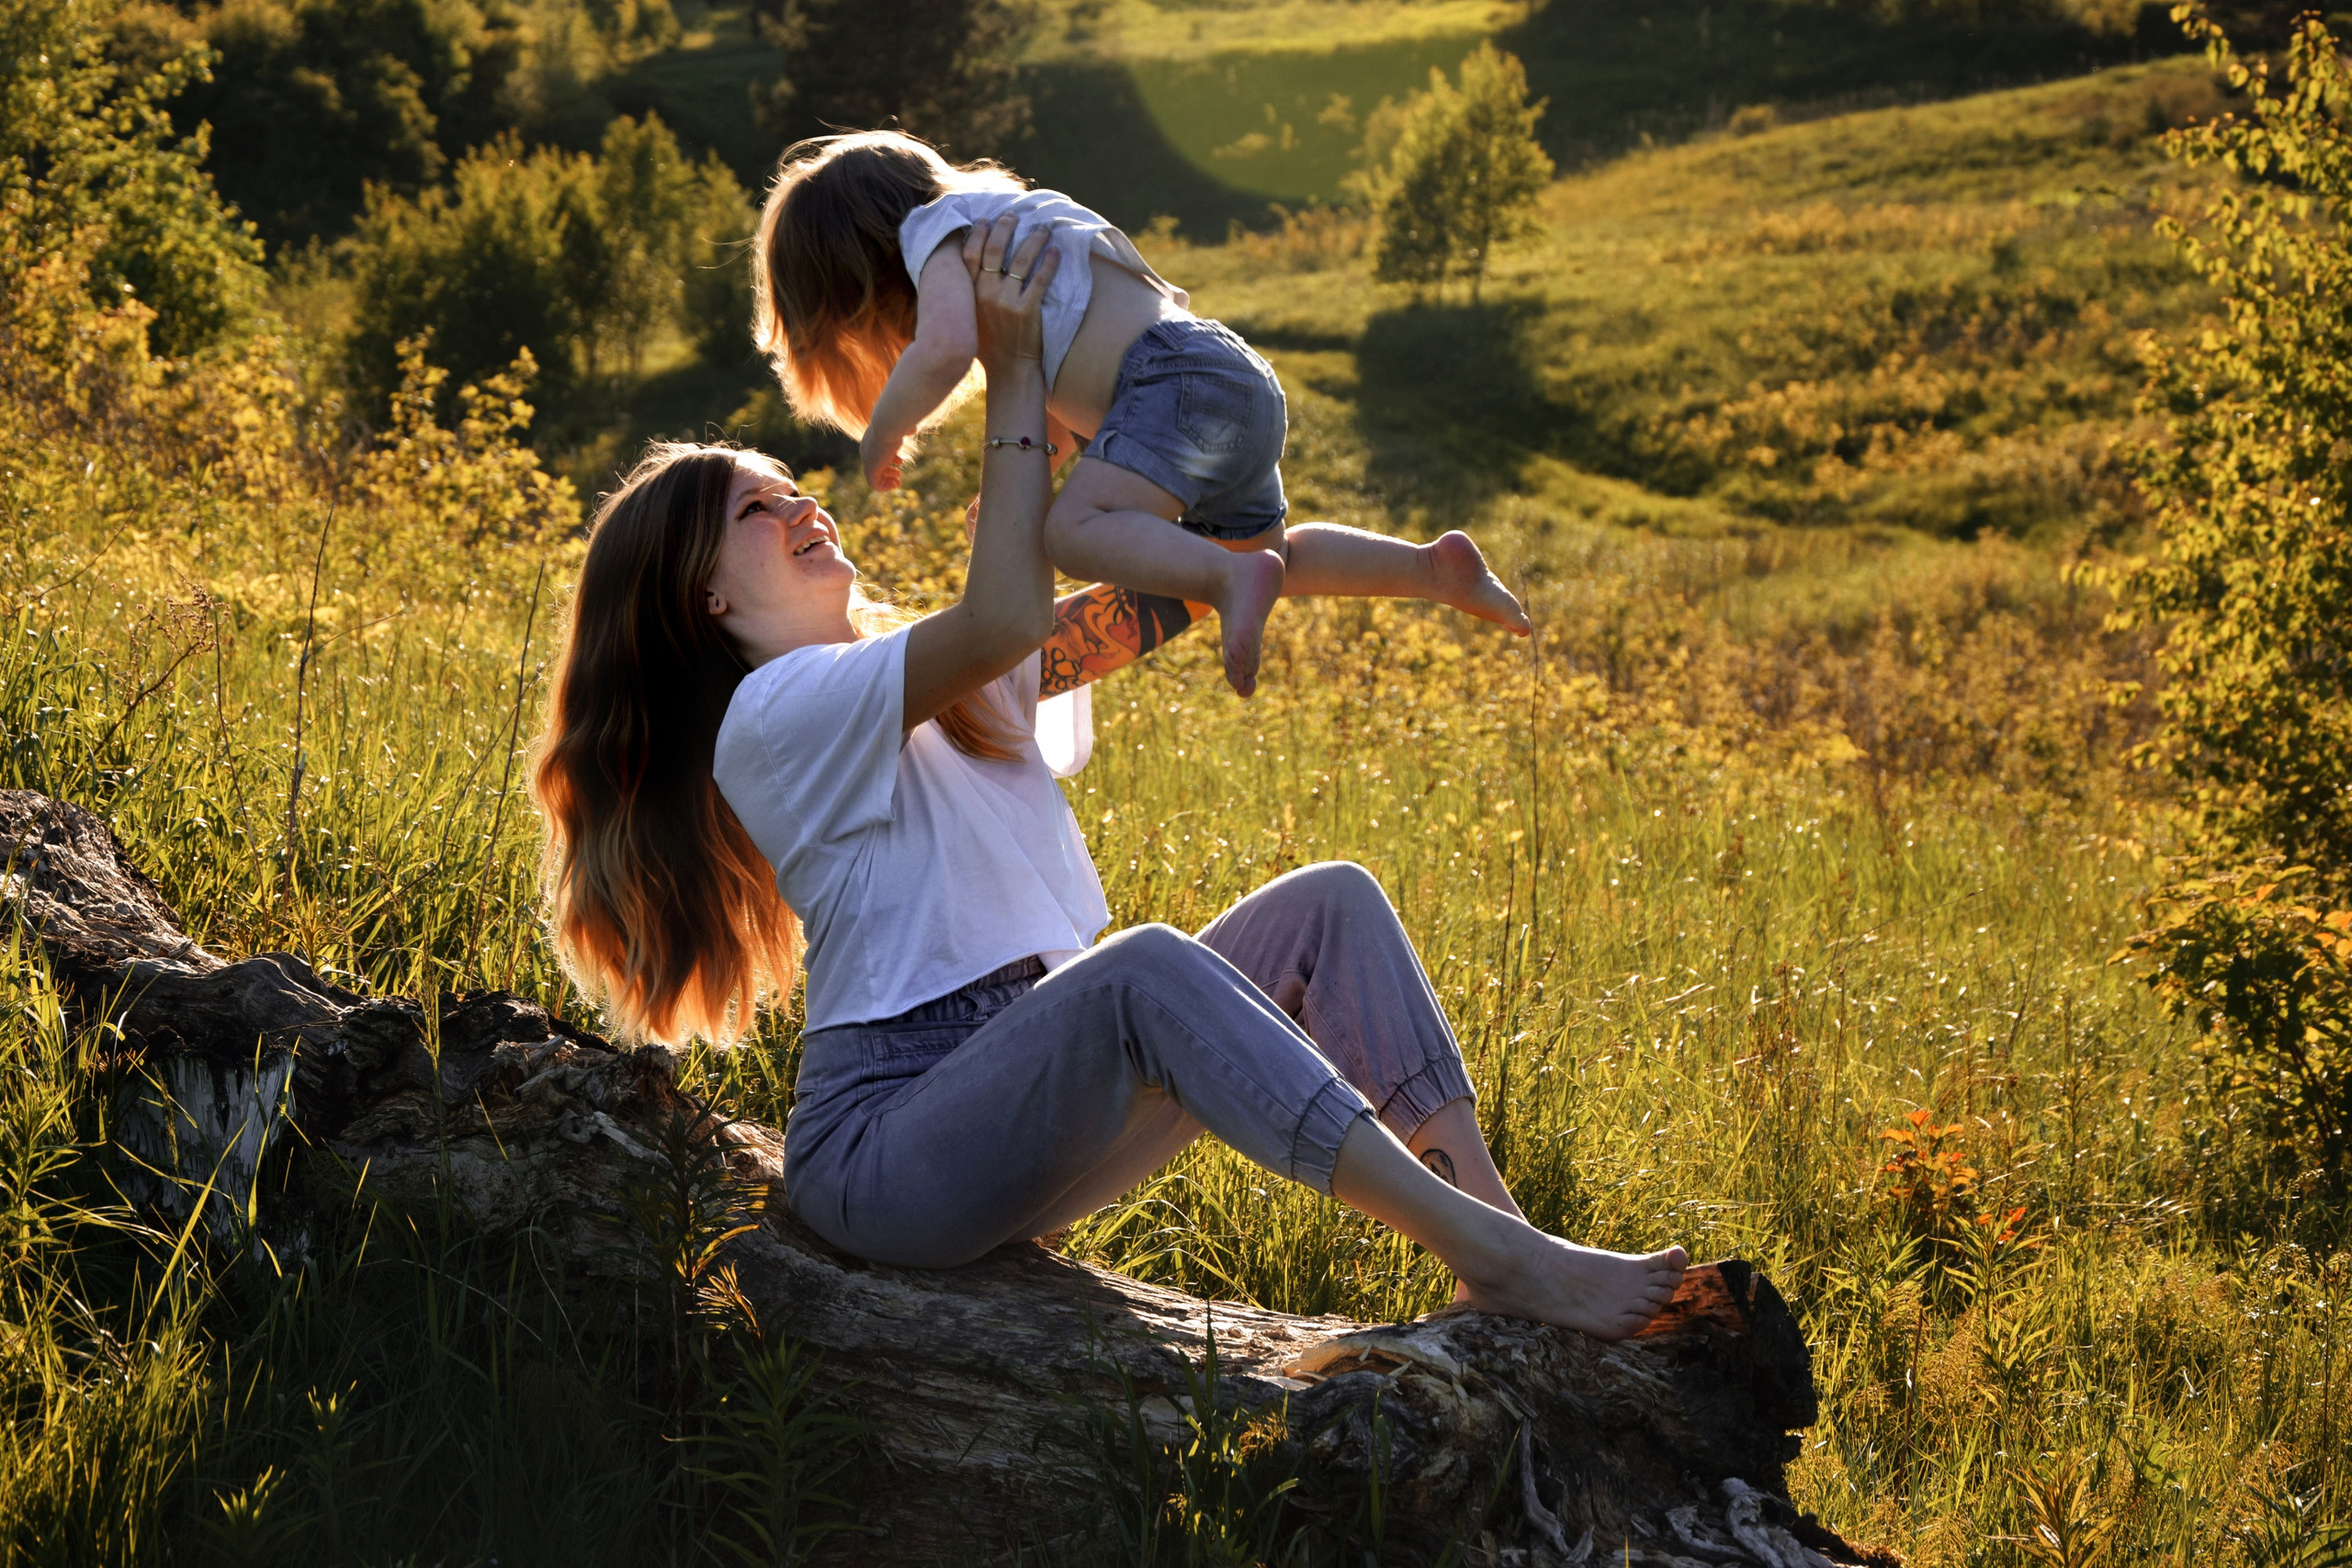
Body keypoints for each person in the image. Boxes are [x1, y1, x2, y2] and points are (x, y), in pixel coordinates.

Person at [535, 215, 1687, 1339]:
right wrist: (1015, 378)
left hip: (1037, 1099)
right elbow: (1003, 615)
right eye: (758, 505)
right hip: (886, 1154)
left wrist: (1414, 569)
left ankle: (1504, 1250)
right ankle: (1494, 1257)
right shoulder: (773, 717)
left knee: (1330, 904)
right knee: (1141, 969)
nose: (803, 502)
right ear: (705, 595)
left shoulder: (925, 683)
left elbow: (1196, 583)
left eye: (794, 483)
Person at [749, 129, 1532, 699]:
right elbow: (1056, 405)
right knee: (1271, 557)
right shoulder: (1019, 216)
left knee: (1073, 535)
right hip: (1228, 372)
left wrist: (887, 432)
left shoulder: (937, 233)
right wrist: (1024, 478)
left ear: (865, 267)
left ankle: (1230, 576)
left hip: (1169, 384)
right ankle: (1430, 569)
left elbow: (945, 346)